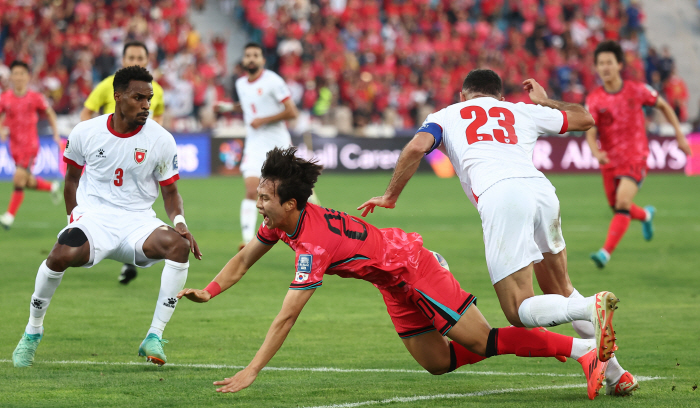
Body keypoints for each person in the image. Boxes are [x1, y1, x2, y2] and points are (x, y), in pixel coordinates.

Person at [178, 147, 612, 400]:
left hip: (413, 267)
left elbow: (287, 316)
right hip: (391, 282)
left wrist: (253, 369)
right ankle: (537, 343)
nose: (259, 202)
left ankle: (581, 350)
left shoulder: (312, 245)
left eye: (266, 197)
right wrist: (211, 291)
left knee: (483, 340)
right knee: (438, 363)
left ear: (291, 204)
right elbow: (243, 259)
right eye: (260, 194)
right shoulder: (282, 222)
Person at [358, 69, 636, 396]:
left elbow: (417, 148)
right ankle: (617, 376)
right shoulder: (518, 109)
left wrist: (390, 196)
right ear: (499, 97)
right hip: (542, 192)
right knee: (561, 288)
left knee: (518, 310)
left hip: (501, 196)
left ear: (463, 96)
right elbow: (585, 118)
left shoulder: (446, 115)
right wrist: (545, 101)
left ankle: (591, 306)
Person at [12, 66, 202, 368]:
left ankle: (154, 336)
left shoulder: (161, 139)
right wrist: (73, 216)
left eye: (148, 98)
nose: (145, 105)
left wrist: (180, 223)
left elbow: (170, 192)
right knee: (59, 255)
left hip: (138, 222)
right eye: (138, 97)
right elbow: (71, 180)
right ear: (118, 96)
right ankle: (32, 331)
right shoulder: (86, 131)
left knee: (178, 246)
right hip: (95, 219)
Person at [585, 40, 691, 268]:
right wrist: (596, 153)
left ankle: (605, 253)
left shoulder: (637, 89)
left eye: (609, 62)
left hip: (636, 156)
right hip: (609, 160)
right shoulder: (594, 99)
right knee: (618, 208)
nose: (605, 67)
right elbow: (591, 130)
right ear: (596, 67)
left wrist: (680, 136)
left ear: (619, 65)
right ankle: (645, 215)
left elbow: (663, 105)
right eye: (601, 63)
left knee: (623, 201)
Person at [80, 41, 167, 284]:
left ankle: (125, 256)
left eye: (140, 56)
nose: (136, 60)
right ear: (123, 59)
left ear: (148, 60)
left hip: (138, 157)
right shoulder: (108, 85)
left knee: (133, 206)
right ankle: (88, 240)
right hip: (108, 158)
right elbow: (87, 112)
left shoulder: (156, 89)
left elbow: (158, 117)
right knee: (103, 205)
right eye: (131, 56)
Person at [216, 42, 303, 251]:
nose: (251, 59)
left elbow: (292, 112)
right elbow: (248, 104)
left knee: (291, 197)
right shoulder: (241, 84)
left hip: (278, 145)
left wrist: (263, 120)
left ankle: (308, 234)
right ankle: (247, 241)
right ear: (244, 61)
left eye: (256, 55)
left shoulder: (273, 81)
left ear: (263, 60)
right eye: (248, 55)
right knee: (251, 190)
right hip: (254, 145)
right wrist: (228, 107)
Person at [0, 61, 62, 229]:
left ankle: (9, 216)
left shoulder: (35, 97)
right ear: (11, 76)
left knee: (18, 177)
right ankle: (51, 186)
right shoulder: (5, 98)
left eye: (22, 73)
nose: (19, 77)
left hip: (30, 146)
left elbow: (50, 113)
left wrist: (56, 134)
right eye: (15, 73)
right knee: (26, 181)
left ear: (27, 76)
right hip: (14, 146)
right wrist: (1, 129)